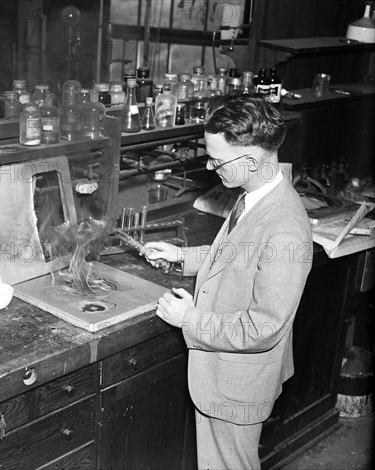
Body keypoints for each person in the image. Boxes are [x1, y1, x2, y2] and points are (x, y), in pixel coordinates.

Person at [144, 94, 313, 470]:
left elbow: (264, 327)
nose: (210, 165)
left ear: (251, 160)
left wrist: (189, 319)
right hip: (226, 375)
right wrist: (182, 257)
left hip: (238, 385)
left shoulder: (284, 228)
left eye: (217, 160)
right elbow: (240, 257)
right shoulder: (255, 195)